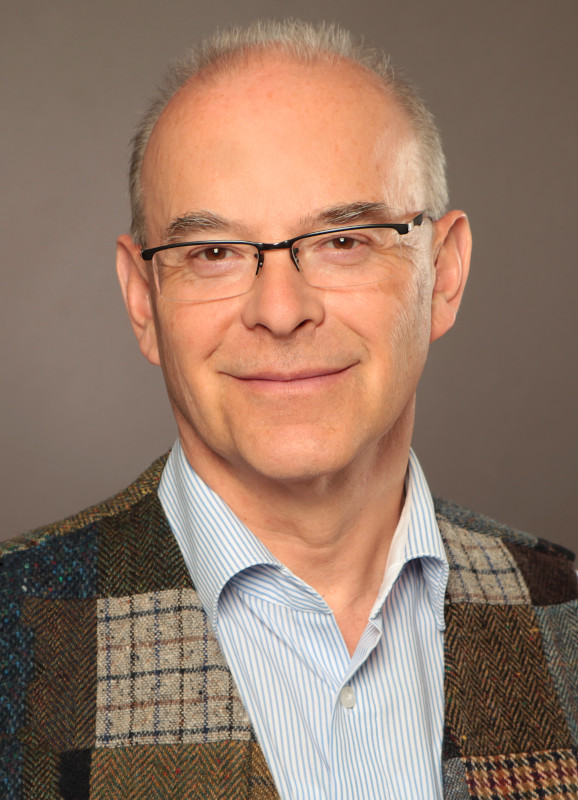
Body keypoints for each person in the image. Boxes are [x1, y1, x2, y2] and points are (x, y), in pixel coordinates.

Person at [1, 19, 576, 800]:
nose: (279, 310)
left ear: (442, 275)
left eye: (345, 241)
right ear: (143, 299)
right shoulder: (13, 640)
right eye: (213, 253)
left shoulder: (566, 615)